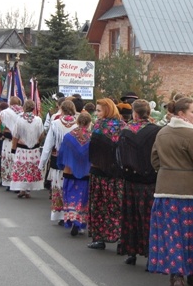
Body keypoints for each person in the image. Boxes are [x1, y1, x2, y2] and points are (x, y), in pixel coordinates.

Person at [148, 97, 193, 286]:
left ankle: (176, 275)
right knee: (188, 235)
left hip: (164, 191)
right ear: (181, 114)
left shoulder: (162, 132)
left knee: (171, 235)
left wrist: (166, 172)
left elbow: (154, 159)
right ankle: (188, 272)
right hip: (188, 192)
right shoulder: (191, 134)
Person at [117, 99, 162, 266]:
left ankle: (132, 251)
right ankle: (151, 252)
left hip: (130, 180)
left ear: (135, 113)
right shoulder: (157, 131)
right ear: (148, 113)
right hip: (150, 180)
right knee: (149, 217)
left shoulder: (125, 131)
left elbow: (119, 156)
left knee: (131, 216)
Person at [87, 98, 126, 250]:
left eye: (99, 110)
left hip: (100, 172)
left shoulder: (98, 126)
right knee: (117, 206)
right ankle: (120, 238)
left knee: (99, 206)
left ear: (107, 110)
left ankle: (100, 238)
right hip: (117, 173)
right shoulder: (122, 126)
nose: (96, 114)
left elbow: (93, 150)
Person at [39, 100, 77, 224]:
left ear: (62, 109)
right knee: (72, 187)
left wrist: (42, 163)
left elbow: (48, 145)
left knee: (59, 187)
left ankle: (61, 214)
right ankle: (72, 212)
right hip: (73, 161)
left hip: (58, 160)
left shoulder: (55, 124)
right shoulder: (78, 124)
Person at [56, 112, 93, 236]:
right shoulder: (91, 137)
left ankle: (72, 219)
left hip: (69, 171)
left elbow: (62, 153)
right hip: (86, 173)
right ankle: (80, 222)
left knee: (70, 195)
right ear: (89, 124)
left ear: (77, 122)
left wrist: (60, 165)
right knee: (83, 197)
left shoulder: (68, 137)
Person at [10, 99, 44, 198]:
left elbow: (15, 135)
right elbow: (42, 134)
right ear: (33, 108)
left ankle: (22, 189)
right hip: (34, 149)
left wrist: (13, 148)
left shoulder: (19, 119)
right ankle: (28, 190)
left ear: (24, 107)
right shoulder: (38, 119)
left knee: (22, 168)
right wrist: (37, 140)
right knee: (31, 168)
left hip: (22, 148)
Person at [0, 97, 23, 190]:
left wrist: (0, 134)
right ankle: (17, 181)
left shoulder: (5, 112)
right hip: (20, 140)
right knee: (17, 161)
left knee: (8, 160)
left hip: (8, 139)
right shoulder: (22, 112)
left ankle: (9, 182)